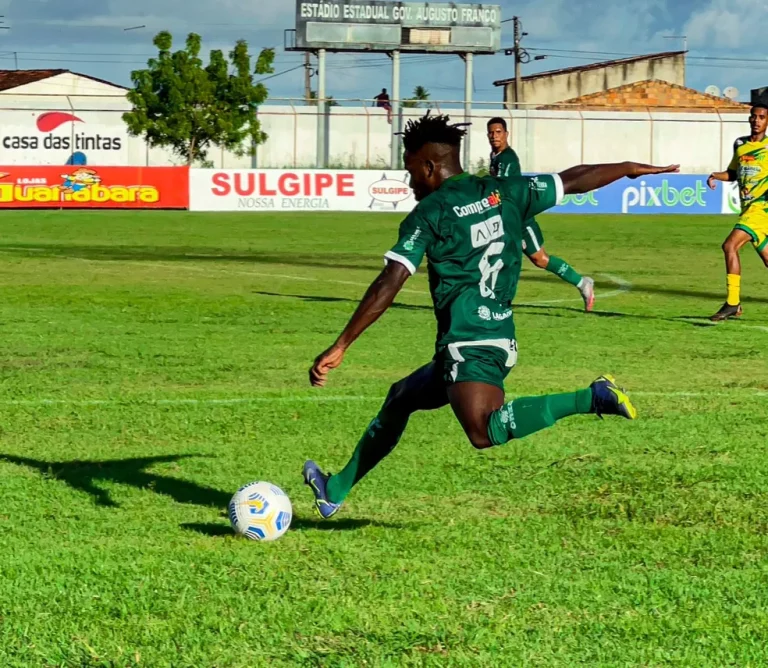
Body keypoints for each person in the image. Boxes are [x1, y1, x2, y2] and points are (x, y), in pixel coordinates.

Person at [302, 112, 678, 519]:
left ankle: (592, 397)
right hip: (492, 336)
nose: (410, 184)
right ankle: (334, 490)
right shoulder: (506, 190)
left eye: (411, 172)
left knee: (484, 431)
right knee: (400, 397)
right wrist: (629, 168)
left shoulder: (431, 213)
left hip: (471, 342)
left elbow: (389, 282)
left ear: (429, 166)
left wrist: (341, 345)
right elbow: (575, 178)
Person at [487, 117, 595, 311]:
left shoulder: (507, 158)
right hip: (508, 217)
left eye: (499, 132)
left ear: (506, 134)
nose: (495, 136)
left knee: (540, 259)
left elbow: (500, 189)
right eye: (491, 132)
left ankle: (582, 283)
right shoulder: (495, 156)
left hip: (520, 219)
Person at [707, 103, 768, 321]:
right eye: (754, 116)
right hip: (749, 210)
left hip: (762, 209)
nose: (756, 121)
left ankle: (733, 303)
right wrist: (715, 175)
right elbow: (733, 173)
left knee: (729, 246)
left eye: (762, 117)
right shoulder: (740, 144)